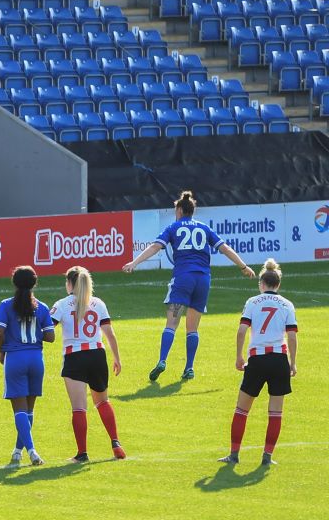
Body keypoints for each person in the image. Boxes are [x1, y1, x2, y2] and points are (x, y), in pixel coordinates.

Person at [122, 190, 256, 381]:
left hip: (183, 278)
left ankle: (162, 360)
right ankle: (189, 367)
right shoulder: (204, 228)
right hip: (203, 280)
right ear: (193, 211)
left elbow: (155, 247)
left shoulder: (173, 228)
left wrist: (134, 263)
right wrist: (243, 266)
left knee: (172, 323)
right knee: (192, 328)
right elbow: (225, 248)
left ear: (179, 210)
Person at [220, 259, 298, 466]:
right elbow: (291, 337)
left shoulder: (252, 302)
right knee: (275, 412)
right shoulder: (287, 305)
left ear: (261, 284)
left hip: (257, 359)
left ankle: (234, 455)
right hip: (279, 360)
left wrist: (239, 356)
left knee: (241, 410)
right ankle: (267, 457)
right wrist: (293, 362)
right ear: (278, 284)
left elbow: (242, 331)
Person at [50, 266, 126, 464]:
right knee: (102, 401)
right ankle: (116, 443)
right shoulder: (98, 303)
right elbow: (110, 333)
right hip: (97, 355)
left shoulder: (62, 304)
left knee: (79, 408)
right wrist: (117, 358)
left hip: (75, 357)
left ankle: (82, 453)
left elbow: (48, 329)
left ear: (69, 284)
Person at [0, 266, 54, 466]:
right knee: (29, 410)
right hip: (36, 359)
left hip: (15, 359)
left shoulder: (5, 305)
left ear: (14, 282)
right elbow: (51, 336)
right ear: (34, 283)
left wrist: (1, 351)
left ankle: (32, 451)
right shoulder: (42, 307)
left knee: (19, 409)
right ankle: (18, 451)